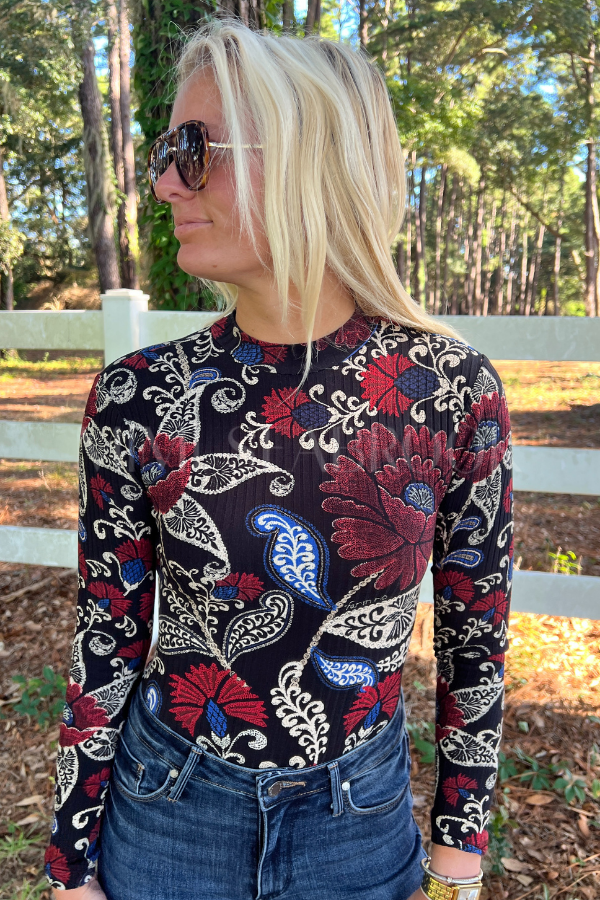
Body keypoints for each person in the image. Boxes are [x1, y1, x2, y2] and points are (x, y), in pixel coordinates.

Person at [44, 17, 513, 900]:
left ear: (303, 157)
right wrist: (71, 863)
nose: (163, 182)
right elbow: (107, 635)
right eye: (165, 153)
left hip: (359, 825)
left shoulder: (450, 391)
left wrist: (459, 855)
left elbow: (474, 638)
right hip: (169, 811)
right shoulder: (140, 395)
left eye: (193, 150)